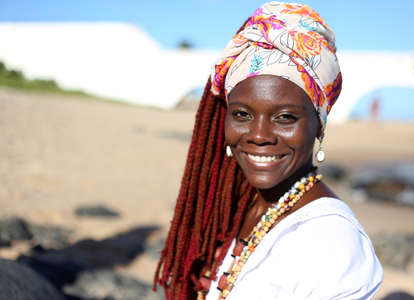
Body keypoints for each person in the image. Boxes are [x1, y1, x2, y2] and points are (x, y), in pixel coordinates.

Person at [154, 2, 383, 299]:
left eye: (285, 117)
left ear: (319, 125)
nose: (259, 135)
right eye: (242, 115)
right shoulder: (242, 206)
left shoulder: (332, 241)